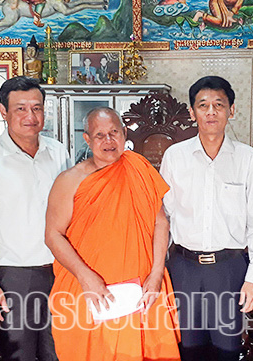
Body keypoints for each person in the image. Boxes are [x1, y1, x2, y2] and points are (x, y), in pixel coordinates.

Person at [46, 107, 181, 361]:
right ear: (87, 139)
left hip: (140, 288)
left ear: (124, 134)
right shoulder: (70, 180)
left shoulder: (139, 168)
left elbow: (160, 223)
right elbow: (53, 235)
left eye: (114, 133)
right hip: (91, 290)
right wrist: (86, 277)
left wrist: (156, 274)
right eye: (100, 135)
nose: (108, 141)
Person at [0, 76, 70, 361]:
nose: (30, 116)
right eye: (20, 109)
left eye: (37, 108)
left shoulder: (57, 152)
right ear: (3, 111)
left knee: (59, 350)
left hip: (59, 272)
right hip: (13, 276)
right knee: (16, 353)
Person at [160, 76, 253, 361]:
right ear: (191, 111)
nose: (211, 112)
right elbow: (164, 218)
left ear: (231, 110)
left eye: (218, 105)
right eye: (203, 105)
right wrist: (156, 269)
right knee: (188, 348)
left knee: (227, 349)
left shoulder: (247, 158)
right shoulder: (175, 157)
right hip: (184, 268)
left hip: (229, 269)